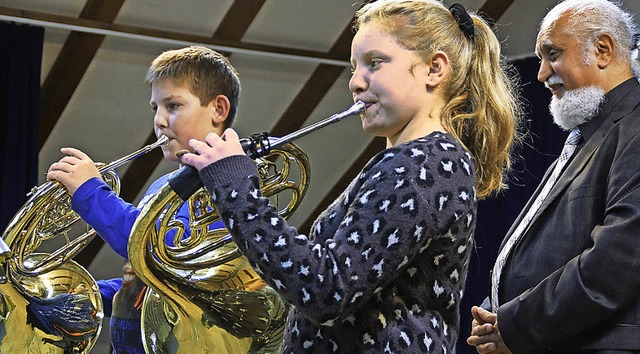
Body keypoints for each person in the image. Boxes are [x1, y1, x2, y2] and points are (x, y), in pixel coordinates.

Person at [178, 1, 522, 352]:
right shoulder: (417, 160)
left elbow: (327, 290)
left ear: (434, 69)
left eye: (375, 63)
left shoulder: (425, 163)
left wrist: (235, 187)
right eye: (354, 67)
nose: (356, 83)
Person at [47, 46, 272, 353]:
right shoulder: (163, 185)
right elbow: (146, 282)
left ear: (219, 110)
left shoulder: (233, 189)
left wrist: (91, 194)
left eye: (173, 105)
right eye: (155, 108)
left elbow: (158, 252)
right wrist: (81, 297)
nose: (160, 121)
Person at [467, 0, 640, 353]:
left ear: (603, 50)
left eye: (553, 54)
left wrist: (514, 324)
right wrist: (495, 313)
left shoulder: (634, 129)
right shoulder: (593, 134)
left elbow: (614, 264)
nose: (542, 74)